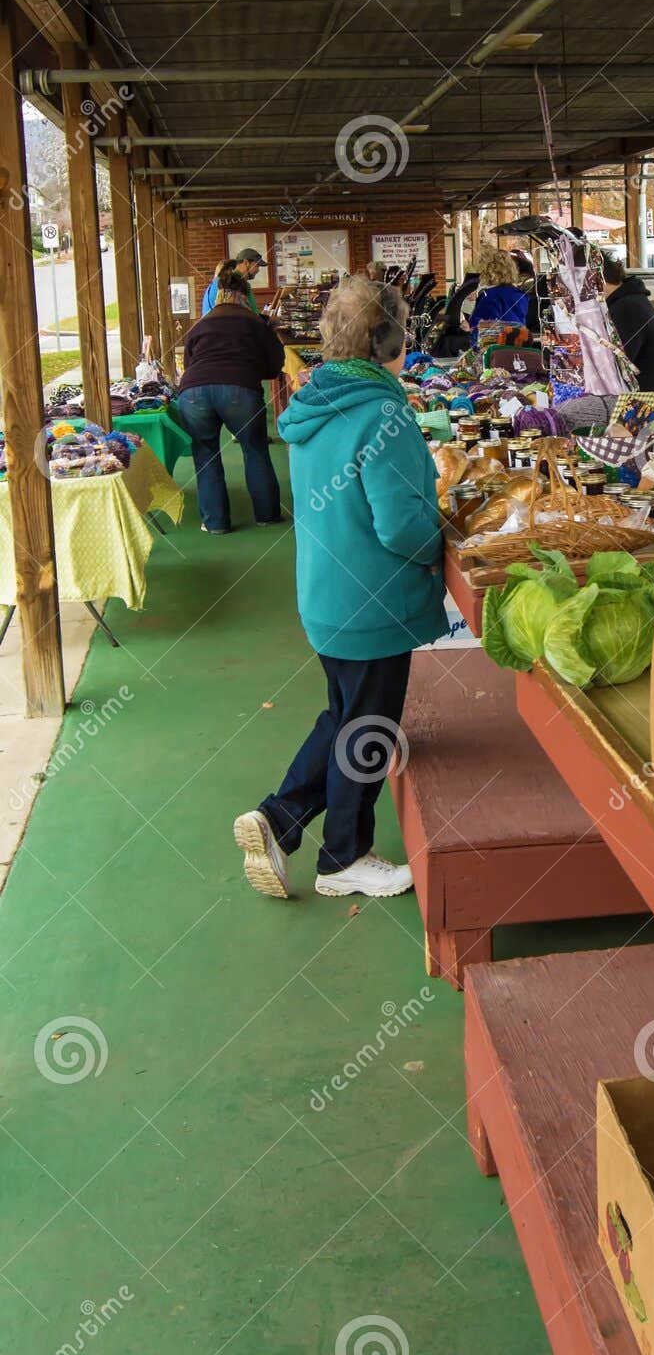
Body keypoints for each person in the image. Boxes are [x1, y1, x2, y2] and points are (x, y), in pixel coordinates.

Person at [233, 275, 447, 901]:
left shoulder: (314, 400)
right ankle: (343, 859)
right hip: (376, 603)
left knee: (345, 716)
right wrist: (441, 546)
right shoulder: (383, 410)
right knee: (366, 731)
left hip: (328, 599)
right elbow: (401, 523)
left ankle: (278, 820)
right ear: (389, 337)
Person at [177, 269, 285, 533]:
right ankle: (267, 515)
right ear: (244, 294)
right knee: (255, 450)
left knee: (206, 455)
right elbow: (274, 367)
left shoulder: (201, 324)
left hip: (193, 393)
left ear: (219, 293)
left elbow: (188, 364)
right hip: (239, 390)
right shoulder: (256, 323)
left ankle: (215, 523)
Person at [601, 255, 654, 397]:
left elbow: (620, 359)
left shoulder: (627, 306)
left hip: (647, 400)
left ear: (599, 280)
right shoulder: (628, 300)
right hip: (649, 394)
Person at [468, 243, 528, 343]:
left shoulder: (487, 295)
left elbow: (474, 325)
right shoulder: (522, 295)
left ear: (489, 272)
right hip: (518, 346)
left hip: (493, 348)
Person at [202, 248, 265, 314]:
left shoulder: (218, 281)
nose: (258, 270)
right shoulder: (239, 284)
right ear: (246, 263)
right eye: (257, 266)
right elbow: (255, 316)